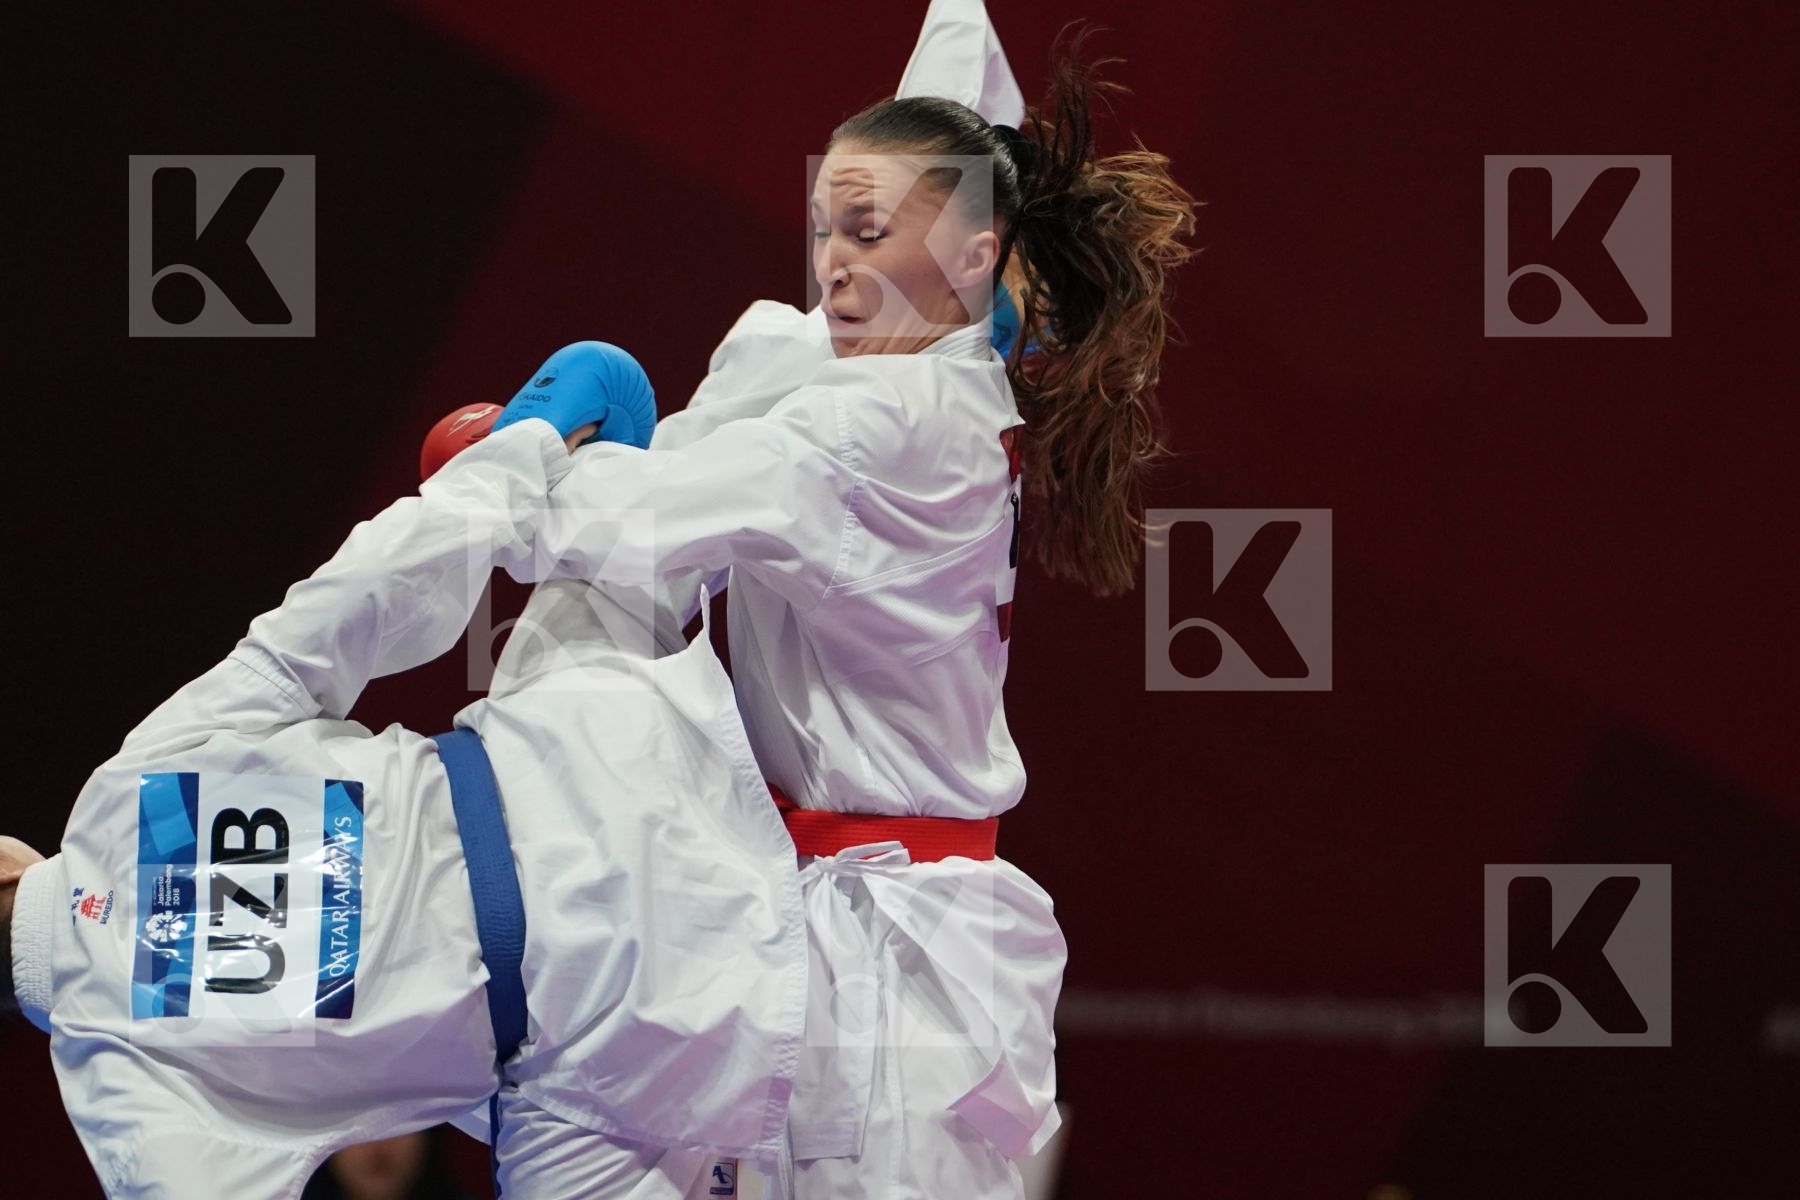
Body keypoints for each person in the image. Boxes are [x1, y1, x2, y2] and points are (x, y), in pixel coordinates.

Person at [478, 14, 1199, 1195]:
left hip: (884, 981)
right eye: (822, 227)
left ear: (975, 255)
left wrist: (519, 447)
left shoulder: (885, 422)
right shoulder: (921, 394)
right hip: (823, 921)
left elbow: (616, 525)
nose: (830, 265)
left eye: (867, 229)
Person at [0, 395, 807, 1199]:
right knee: (673, 454)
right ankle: (798, 379)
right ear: (4, 868)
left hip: (624, 1023)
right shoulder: (125, 796)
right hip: (585, 758)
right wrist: (520, 451)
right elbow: (346, 605)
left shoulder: (122, 1093)